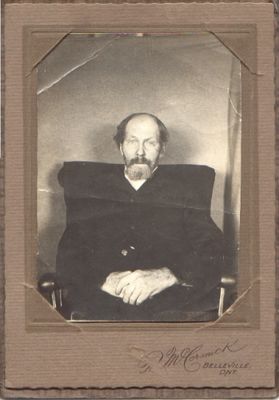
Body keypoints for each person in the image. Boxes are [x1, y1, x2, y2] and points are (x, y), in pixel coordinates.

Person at [56, 113, 225, 321]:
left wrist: (168, 275)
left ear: (161, 150)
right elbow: (67, 256)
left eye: (150, 143)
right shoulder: (90, 193)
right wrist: (102, 280)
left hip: (169, 307)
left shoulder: (185, 193)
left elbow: (215, 250)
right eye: (132, 141)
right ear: (121, 147)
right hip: (102, 306)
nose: (140, 152)